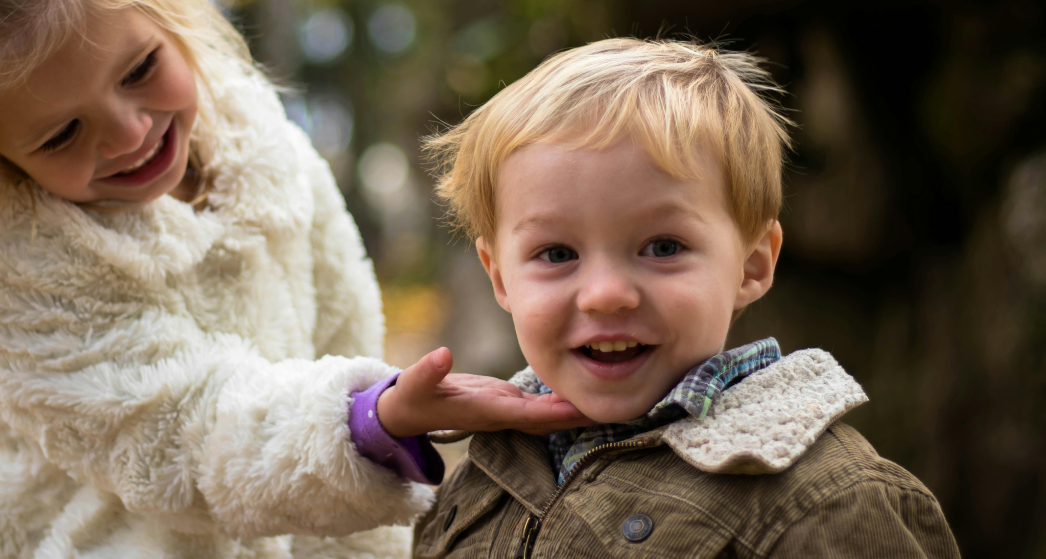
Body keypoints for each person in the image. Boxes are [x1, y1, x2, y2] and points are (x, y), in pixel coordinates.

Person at [0, 0, 588, 557]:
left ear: (171, 12)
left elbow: (338, 324)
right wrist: (368, 423)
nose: (130, 131)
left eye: (140, 69)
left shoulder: (258, 145)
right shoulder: (6, 270)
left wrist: (367, 527)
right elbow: (182, 438)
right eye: (61, 134)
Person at [412, 38, 962, 558]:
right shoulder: (485, 469)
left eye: (663, 246)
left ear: (752, 263)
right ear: (500, 277)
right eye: (557, 254)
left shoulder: (827, 500)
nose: (606, 295)